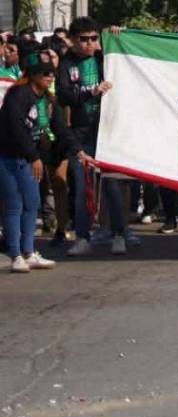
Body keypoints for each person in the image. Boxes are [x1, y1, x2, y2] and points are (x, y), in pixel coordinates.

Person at [57, 17, 129, 256]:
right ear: (72, 40)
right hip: (80, 134)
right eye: (83, 39)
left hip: (108, 131)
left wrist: (118, 33)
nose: (89, 43)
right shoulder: (67, 63)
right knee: (82, 188)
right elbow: (64, 95)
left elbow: (126, 54)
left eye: (94, 38)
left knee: (112, 187)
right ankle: (82, 237)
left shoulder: (105, 57)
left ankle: (119, 234)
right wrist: (91, 92)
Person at [0, 60, 69, 272]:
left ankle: (29, 252)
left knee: (32, 203)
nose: (50, 77)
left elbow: (60, 128)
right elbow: (16, 128)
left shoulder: (47, 99)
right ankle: (15, 255)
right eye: (46, 73)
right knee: (14, 205)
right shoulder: (18, 95)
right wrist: (33, 156)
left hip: (30, 159)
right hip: (9, 157)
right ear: (34, 75)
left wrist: (77, 150)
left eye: (53, 74)